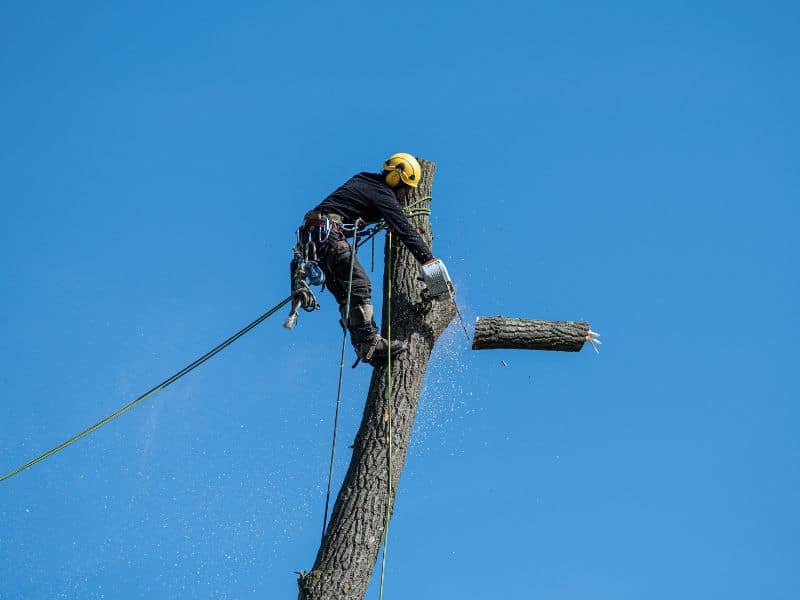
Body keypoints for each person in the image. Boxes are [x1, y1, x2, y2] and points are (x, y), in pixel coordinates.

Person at [289, 153, 444, 366]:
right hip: (328, 237)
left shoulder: (365, 180)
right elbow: (406, 232)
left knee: (348, 296)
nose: (404, 195)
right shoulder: (382, 193)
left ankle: (365, 348)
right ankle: (371, 342)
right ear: (395, 179)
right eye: (405, 189)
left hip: (314, 241)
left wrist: (382, 216)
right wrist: (431, 264)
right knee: (360, 283)